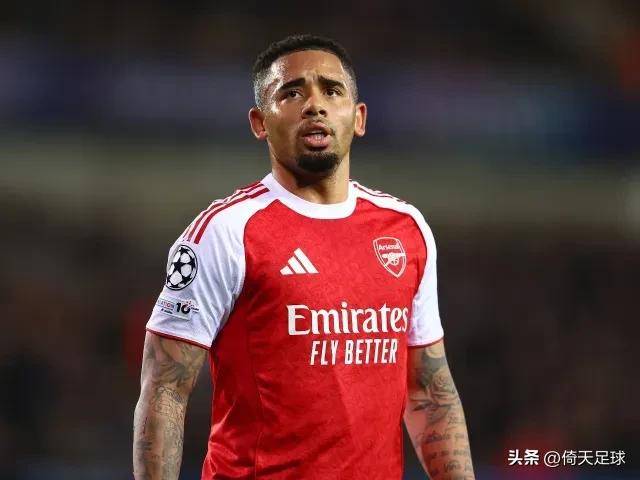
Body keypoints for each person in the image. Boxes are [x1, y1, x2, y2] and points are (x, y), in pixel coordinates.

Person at [133, 34, 475, 480]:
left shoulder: (406, 229)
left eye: (331, 91)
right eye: (292, 93)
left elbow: (429, 391)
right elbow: (165, 388)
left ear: (358, 117)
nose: (315, 105)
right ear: (260, 123)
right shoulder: (225, 231)